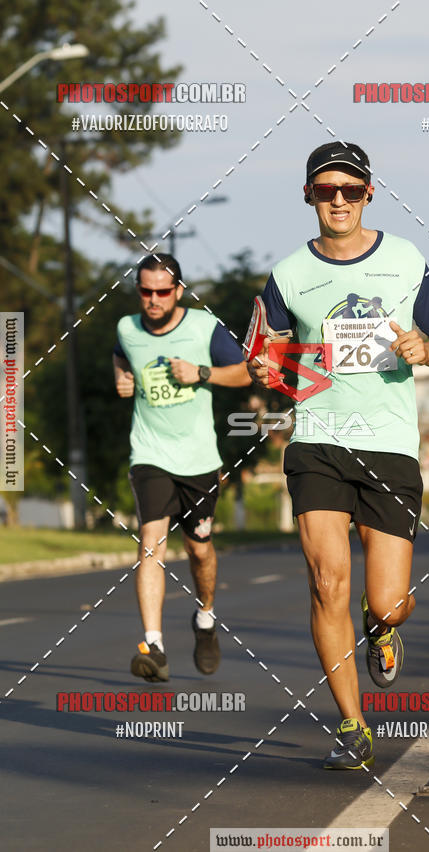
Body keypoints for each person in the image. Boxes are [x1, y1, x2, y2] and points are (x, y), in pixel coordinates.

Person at [247, 141, 429, 769]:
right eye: (325, 190)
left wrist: (428, 349)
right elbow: (273, 353)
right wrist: (265, 368)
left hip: (389, 445)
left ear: (369, 193)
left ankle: (383, 625)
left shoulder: (404, 258)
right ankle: (351, 724)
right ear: (308, 196)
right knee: (326, 583)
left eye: (349, 189)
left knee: (388, 600)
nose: (337, 200)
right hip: (317, 442)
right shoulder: (288, 274)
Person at [113, 253, 251, 682]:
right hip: (150, 454)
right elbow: (121, 354)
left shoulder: (204, 327)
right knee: (150, 542)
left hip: (198, 460)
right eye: (145, 291)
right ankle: (153, 646)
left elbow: (246, 373)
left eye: (162, 291)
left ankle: (205, 617)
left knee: (199, 550)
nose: (153, 299)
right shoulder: (127, 328)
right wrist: (122, 376)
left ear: (178, 290)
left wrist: (202, 373)